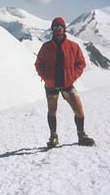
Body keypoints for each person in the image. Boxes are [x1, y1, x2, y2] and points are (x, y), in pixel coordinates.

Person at [35, 17, 95, 147]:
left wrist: (72, 76)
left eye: (60, 27)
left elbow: (80, 63)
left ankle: (81, 135)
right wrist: (46, 78)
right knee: (52, 111)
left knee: (79, 110)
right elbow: (38, 64)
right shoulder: (46, 47)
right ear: (52, 30)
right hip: (51, 84)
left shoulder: (73, 46)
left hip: (67, 83)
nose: (57, 30)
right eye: (55, 28)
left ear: (64, 28)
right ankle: (53, 137)